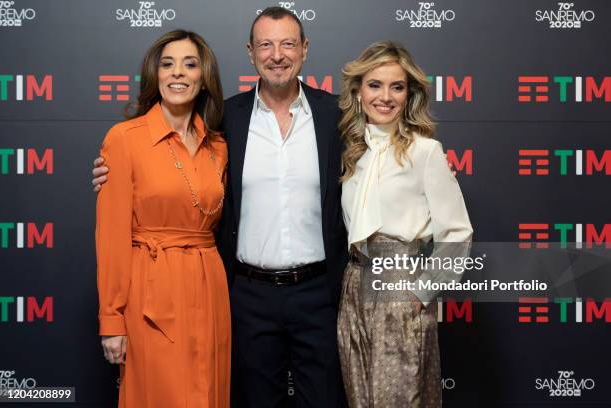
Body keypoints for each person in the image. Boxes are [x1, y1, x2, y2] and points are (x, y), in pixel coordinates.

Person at [93, 8, 348, 408]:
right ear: (250, 53)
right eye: (265, 44)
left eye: (287, 44)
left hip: (317, 292)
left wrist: (424, 171)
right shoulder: (226, 119)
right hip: (247, 294)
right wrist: (111, 175)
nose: (276, 54)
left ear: (305, 49)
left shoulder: (337, 114)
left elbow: (382, 157)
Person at [95, 30, 230, 408]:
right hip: (152, 290)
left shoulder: (217, 145)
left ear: (205, 78)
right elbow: (110, 238)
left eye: (190, 64)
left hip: (209, 286)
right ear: (154, 75)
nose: (178, 74)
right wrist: (112, 321)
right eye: (167, 64)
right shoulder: (124, 139)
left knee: (209, 392)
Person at [336, 41, 473, 408]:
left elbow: (457, 232)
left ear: (409, 94)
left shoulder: (425, 151)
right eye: (375, 85)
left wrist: (422, 293)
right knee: (360, 398)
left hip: (401, 285)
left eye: (396, 86)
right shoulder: (351, 152)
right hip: (353, 285)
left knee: (401, 398)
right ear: (358, 92)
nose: (385, 96)